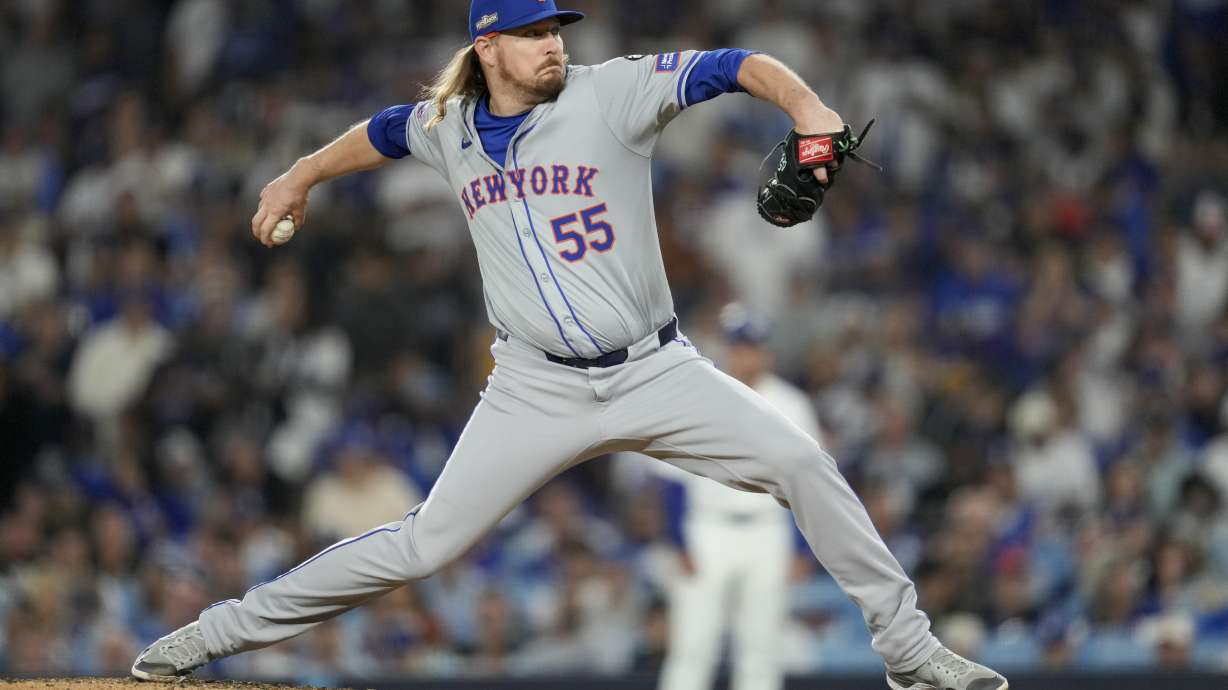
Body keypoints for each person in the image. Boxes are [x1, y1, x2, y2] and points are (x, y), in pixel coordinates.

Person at [132, 2, 1007, 689]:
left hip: (656, 369)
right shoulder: (449, 130)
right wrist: (298, 174)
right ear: (488, 48)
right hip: (532, 389)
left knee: (804, 465)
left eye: (555, 29)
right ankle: (212, 636)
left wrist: (810, 106)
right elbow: (382, 130)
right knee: (422, 545)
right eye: (532, 33)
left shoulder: (610, 90)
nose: (552, 44)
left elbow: (734, 66)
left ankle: (910, 652)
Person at [657, 304, 821, 690]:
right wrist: (678, 540)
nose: (747, 353)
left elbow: (806, 483)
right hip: (706, 531)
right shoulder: (698, 396)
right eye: (740, 344)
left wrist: (801, 548)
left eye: (754, 345)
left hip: (768, 532)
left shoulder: (793, 404)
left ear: (767, 350)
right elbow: (672, 479)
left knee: (761, 651)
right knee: (693, 647)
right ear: (728, 348)